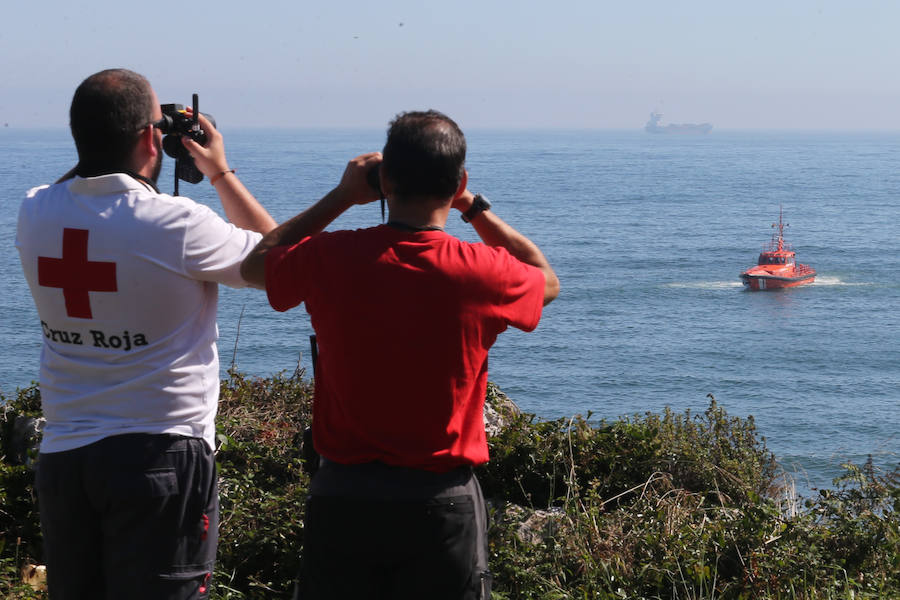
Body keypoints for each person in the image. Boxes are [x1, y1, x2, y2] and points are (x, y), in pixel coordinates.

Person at [240, 110, 559, 599]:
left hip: (343, 496)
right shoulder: (484, 272)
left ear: (384, 181)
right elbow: (545, 279)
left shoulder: (331, 257)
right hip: (441, 503)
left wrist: (343, 197)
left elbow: (256, 264)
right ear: (459, 183)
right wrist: (472, 208)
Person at [15, 68, 277, 599]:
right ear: (147, 138)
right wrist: (220, 170)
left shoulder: (34, 210)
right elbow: (283, 265)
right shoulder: (176, 223)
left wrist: (129, 142)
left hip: (66, 459)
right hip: (161, 458)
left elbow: (89, 178)